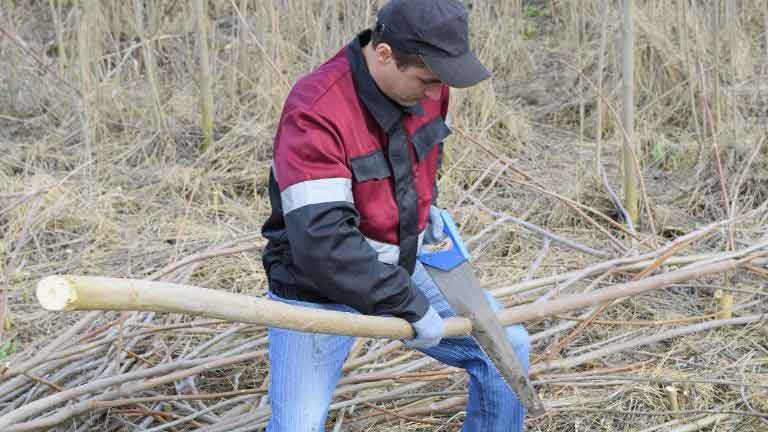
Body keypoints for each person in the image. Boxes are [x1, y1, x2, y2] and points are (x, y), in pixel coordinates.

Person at [260, 0, 530, 430]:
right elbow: (322, 244)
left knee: (506, 353)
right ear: (383, 54)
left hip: (404, 264)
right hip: (317, 290)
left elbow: (425, 154)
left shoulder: (429, 81)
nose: (433, 93)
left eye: (440, 82)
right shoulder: (316, 111)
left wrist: (427, 207)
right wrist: (405, 304)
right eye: (426, 82)